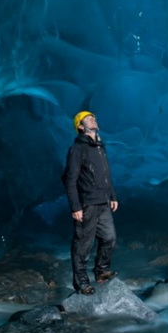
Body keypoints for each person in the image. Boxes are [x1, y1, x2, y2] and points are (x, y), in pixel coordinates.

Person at [61, 111, 119, 295]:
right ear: (80, 127)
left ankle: (101, 272)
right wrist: (75, 206)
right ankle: (81, 282)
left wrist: (113, 195)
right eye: (87, 118)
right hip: (87, 204)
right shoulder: (77, 149)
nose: (93, 119)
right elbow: (69, 179)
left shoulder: (100, 147)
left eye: (94, 117)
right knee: (83, 244)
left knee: (109, 238)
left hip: (103, 202)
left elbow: (106, 175)